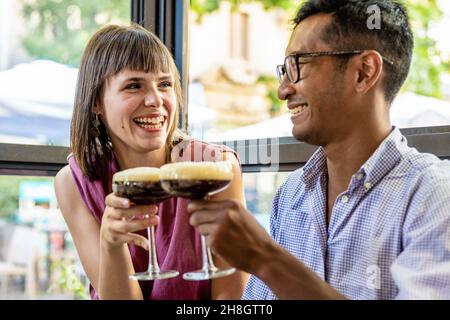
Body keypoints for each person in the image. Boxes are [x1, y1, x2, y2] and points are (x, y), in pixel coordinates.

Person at [187, 0, 450, 299]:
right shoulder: (292, 193)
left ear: (364, 72)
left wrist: (266, 259)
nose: (283, 90)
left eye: (298, 65)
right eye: (283, 70)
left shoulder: (433, 197)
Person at [54, 24, 247, 300]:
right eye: (134, 85)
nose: (156, 100)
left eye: (165, 84)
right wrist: (111, 244)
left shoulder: (217, 168)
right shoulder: (74, 183)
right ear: (96, 101)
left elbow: (233, 299)